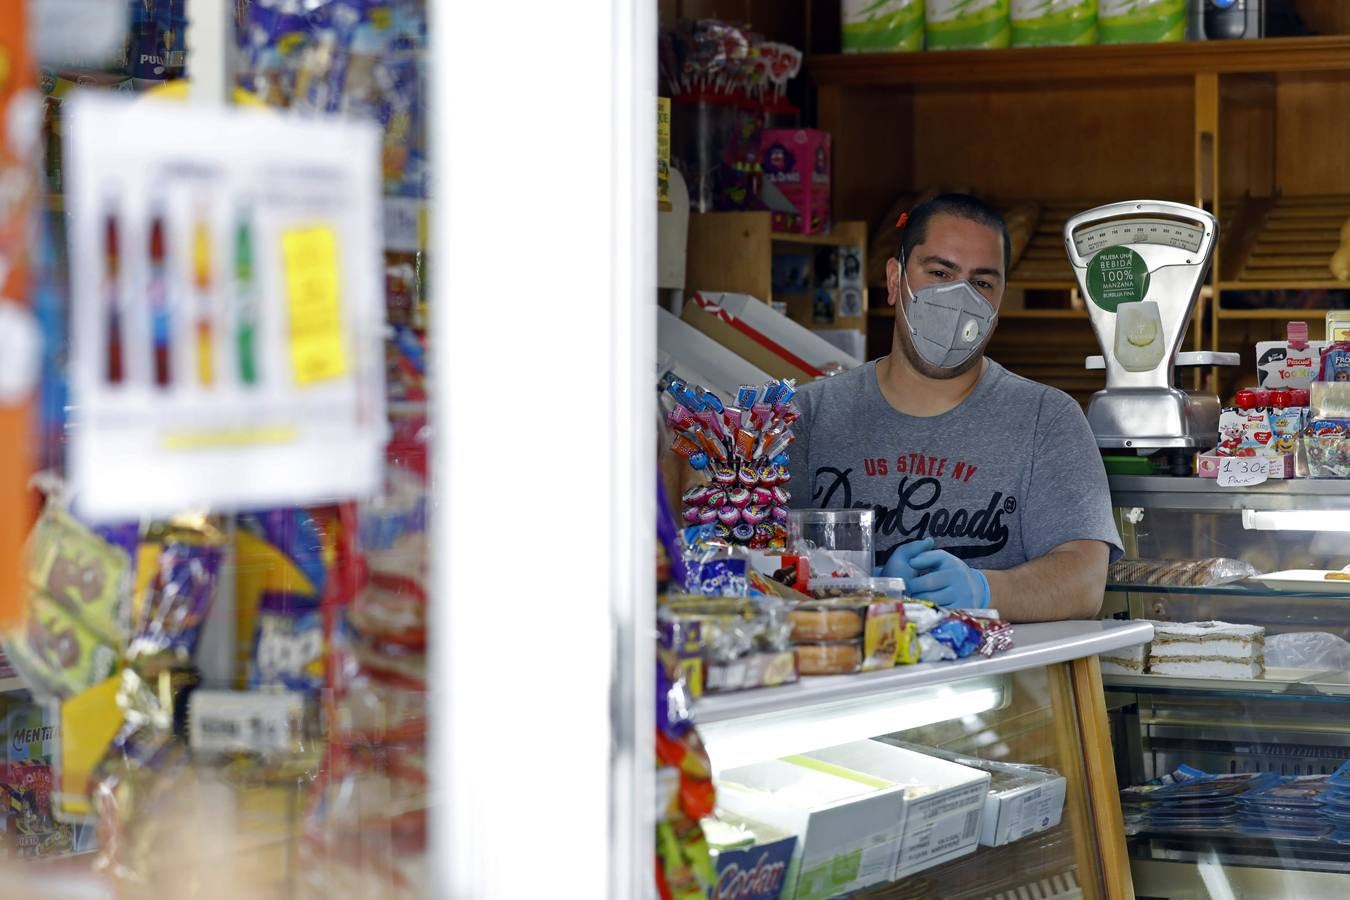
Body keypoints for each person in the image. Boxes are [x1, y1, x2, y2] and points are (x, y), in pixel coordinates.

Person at [788, 193, 1121, 622]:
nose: (959, 296)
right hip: (852, 681)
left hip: (1003, 686)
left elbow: (1084, 581)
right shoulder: (808, 416)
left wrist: (985, 588)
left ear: (998, 302)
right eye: (940, 272)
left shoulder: (1046, 418)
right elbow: (758, 564)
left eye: (981, 283)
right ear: (894, 280)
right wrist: (866, 587)